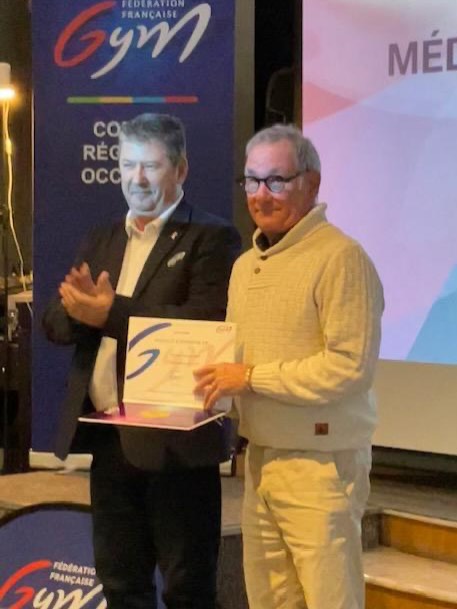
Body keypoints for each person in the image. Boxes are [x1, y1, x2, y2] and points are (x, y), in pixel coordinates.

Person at [42, 113, 241, 609]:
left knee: (187, 589)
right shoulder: (101, 237)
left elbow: (202, 325)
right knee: (120, 584)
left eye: (151, 166)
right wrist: (80, 313)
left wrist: (108, 314)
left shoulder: (211, 238)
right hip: (110, 441)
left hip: (177, 446)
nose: (138, 178)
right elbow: (54, 323)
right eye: (127, 165)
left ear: (181, 169)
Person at [194, 124, 384, 609]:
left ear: (311, 183)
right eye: (252, 180)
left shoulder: (341, 257)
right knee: (270, 600)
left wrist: (250, 378)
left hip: (321, 464)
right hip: (261, 457)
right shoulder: (245, 266)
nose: (261, 195)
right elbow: (235, 362)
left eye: (276, 180)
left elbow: (349, 368)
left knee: (330, 600)